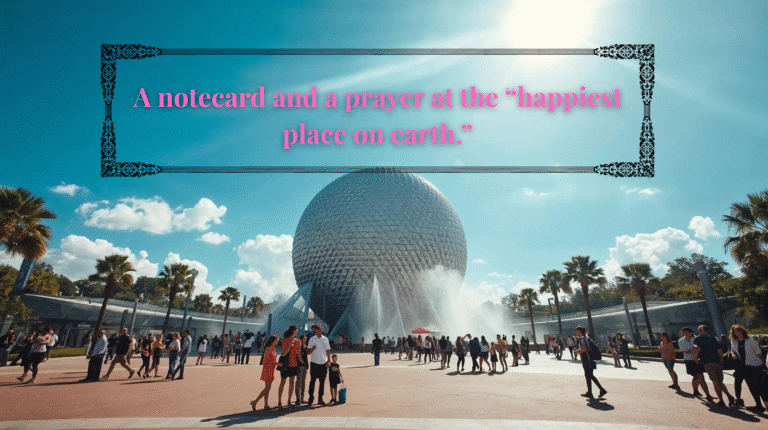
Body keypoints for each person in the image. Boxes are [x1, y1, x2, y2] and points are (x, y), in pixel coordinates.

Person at [729, 324, 768, 412]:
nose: (737, 333)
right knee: (751, 386)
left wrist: (764, 364)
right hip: (744, 367)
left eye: (738, 330)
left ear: (742, 331)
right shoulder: (734, 342)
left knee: (760, 386)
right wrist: (733, 355)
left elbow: (758, 353)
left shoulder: (751, 341)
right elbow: (732, 351)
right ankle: (758, 405)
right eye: (735, 331)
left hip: (755, 366)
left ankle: (766, 405)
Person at [694, 325, 735, 407]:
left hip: (707, 362)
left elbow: (696, 349)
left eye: (700, 330)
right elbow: (719, 350)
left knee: (715, 382)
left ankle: (721, 400)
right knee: (719, 382)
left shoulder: (698, 339)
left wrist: (696, 358)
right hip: (717, 362)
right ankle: (729, 396)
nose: (700, 332)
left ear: (702, 331)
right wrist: (721, 360)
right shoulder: (714, 338)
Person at [678, 327, 712, 400]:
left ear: (690, 332)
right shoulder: (681, 341)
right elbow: (684, 351)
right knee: (696, 376)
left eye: (687, 332)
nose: (686, 334)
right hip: (689, 360)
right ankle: (696, 390)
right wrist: (693, 350)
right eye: (685, 332)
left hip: (697, 360)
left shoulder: (695, 338)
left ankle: (707, 394)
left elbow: (699, 348)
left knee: (700, 376)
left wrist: (694, 351)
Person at [576, 326, 606, 399]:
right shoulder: (585, 338)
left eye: (577, 331)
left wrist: (578, 351)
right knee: (590, 375)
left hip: (587, 359)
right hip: (589, 359)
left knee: (588, 375)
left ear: (580, 331)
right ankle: (593, 391)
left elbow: (584, 348)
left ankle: (598, 390)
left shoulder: (582, 339)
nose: (576, 332)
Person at [250, 335, 279, 411]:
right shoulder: (268, 349)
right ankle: (255, 402)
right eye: (276, 340)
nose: (277, 342)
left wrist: (276, 363)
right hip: (267, 369)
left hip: (271, 370)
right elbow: (266, 361)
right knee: (267, 388)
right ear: (272, 340)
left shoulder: (273, 348)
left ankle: (266, 404)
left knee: (268, 388)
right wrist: (276, 363)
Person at [277, 325, 303, 408]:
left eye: (297, 331)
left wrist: (303, 362)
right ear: (292, 331)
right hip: (285, 364)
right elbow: (284, 353)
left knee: (292, 383)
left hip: (294, 364)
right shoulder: (285, 340)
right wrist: (290, 343)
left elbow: (298, 353)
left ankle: (289, 400)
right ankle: (279, 401)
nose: (297, 332)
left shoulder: (298, 341)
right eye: (296, 331)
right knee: (283, 382)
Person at [307, 324, 332, 406]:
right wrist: (312, 349)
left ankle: (320, 399)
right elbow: (308, 352)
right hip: (314, 363)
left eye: (318, 329)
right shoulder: (312, 339)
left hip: (323, 363)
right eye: (316, 329)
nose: (317, 331)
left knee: (322, 382)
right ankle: (310, 399)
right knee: (312, 381)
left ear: (320, 330)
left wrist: (329, 361)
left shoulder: (325, 339)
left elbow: (328, 351)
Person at [295, 335, 309, 404]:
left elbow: (307, 353)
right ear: (300, 339)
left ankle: (302, 398)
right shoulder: (299, 346)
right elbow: (298, 355)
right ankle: (298, 399)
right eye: (304, 339)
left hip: (305, 366)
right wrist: (302, 361)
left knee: (303, 382)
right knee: (299, 382)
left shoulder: (305, 346)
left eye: (306, 339)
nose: (305, 340)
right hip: (300, 366)